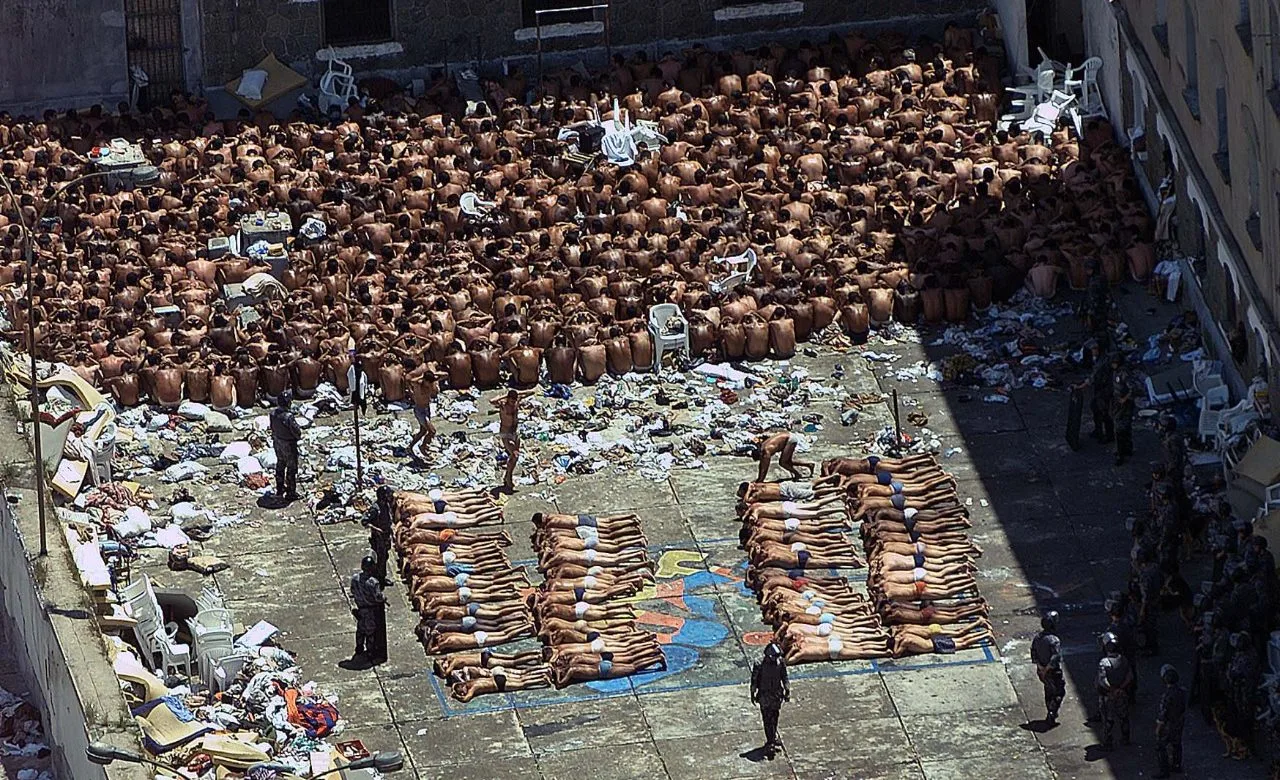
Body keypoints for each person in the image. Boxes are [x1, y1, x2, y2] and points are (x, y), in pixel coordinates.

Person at [750, 642, 790, 759]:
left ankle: (772, 737)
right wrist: (752, 693)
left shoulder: (780, 663)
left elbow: (784, 677)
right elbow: (754, 681)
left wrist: (787, 690)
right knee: (767, 719)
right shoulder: (759, 665)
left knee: (775, 716)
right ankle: (770, 741)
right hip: (765, 695)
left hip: (776, 695)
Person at [1097, 632, 1133, 750]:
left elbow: (1103, 681)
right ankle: (1126, 738)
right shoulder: (1123, 659)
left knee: (1108, 719)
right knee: (1124, 717)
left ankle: (1107, 742)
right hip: (1122, 694)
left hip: (1108, 695)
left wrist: (1113, 690)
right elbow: (1130, 676)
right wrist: (1121, 688)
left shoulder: (1104, 662)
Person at [490, 389, 531, 493]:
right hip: (505, 433)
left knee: (514, 458)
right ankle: (508, 477)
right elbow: (491, 401)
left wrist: (519, 393)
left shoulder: (516, 403)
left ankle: (507, 476)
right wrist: (504, 396)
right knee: (515, 454)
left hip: (514, 433)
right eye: (511, 401)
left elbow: (531, 392)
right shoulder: (503, 405)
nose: (513, 403)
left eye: (514, 400)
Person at [349, 555, 387, 664]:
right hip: (370, 609)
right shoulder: (373, 582)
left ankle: (359, 647)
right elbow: (378, 597)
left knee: (360, 629)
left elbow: (352, 591)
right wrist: (383, 599)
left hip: (360, 608)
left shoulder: (355, 578)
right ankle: (370, 652)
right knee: (370, 632)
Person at [1031, 610, 1065, 724]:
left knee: (1048, 690)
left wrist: (1040, 667)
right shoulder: (1054, 640)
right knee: (1059, 692)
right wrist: (1047, 668)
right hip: (1052, 671)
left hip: (1041, 672)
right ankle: (1052, 712)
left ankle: (1050, 710)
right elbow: (1056, 656)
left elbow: (1033, 653)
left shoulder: (1037, 638)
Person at [1073, 345, 1113, 443]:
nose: (1092, 351)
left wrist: (1080, 386)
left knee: (1103, 412)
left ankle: (1109, 435)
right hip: (1102, 388)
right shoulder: (1101, 359)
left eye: (1094, 349)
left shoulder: (1101, 362)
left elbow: (1093, 378)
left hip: (1105, 389)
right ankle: (1099, 430)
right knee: (1096, 408)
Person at [269, 391, 301, 501]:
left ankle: (279, 488)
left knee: (280, 464)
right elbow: (296, 431)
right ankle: (291, 492)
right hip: (288, 444)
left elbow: (272, 427)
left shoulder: (273, 414)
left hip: (277, 442)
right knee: (291, 468)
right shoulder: (288, 417)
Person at [1154, 664, 1186, 778]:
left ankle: (1164, 770)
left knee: (1160, 746)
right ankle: (1177, 765)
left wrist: (1158, 728)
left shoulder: (1167, 695)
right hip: (1179, 721)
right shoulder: (1182, 692)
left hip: (1169, 724)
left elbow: (1163, 713)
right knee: (1177, 743)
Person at [364, 485, 395, 586]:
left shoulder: (386, 505)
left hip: (385, 536)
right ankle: (378, 578)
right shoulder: (375, 509)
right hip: (378, 538)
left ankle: (382, 577)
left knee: (384, 557)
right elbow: (365, 521)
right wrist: (377, 529)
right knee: (379, 558)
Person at [1111, 354, 1135, 465]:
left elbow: (1132, 389)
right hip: (1117, 402)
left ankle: (1120, 453)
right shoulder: (1116, 372)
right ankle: (1126, 449)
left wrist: (1124, 399)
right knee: (1123, 428)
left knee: (1120, 429)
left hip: (1124, 405)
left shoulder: (1124, 374)